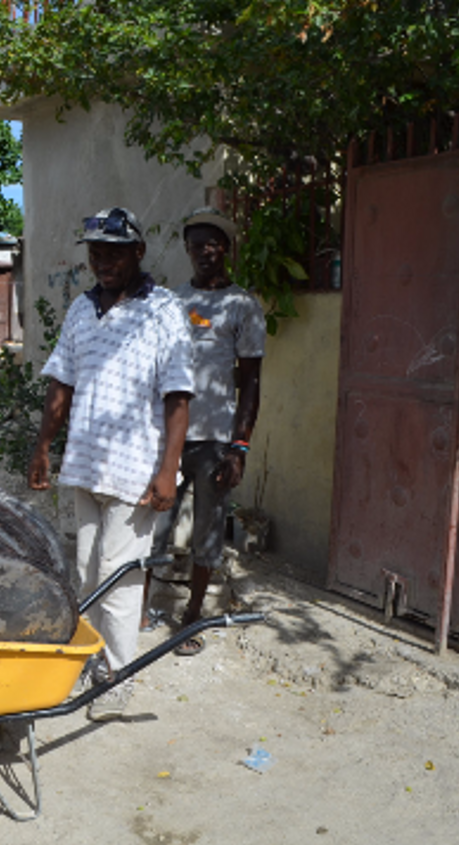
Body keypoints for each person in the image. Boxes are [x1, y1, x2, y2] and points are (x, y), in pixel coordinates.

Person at [28, 206, 195, 721]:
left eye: (114, 251)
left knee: (119, 578)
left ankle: (118, 677)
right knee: (86, 573)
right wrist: (42, 445)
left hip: (136, 472)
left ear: (137, 253)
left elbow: (179, 396)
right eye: (96, 251)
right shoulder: (82, 310)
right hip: (85, 466)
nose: (103, 260)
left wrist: (169, 469)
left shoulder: (164, 309)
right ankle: (90, 659)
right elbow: (62, 384)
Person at [155, 206, 266, 657]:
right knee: (153, 527)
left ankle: (192, 617)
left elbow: (252, 381)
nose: (205, 250)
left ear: (226, 248)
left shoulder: (243, 306)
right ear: (187, 249)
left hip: (216, 440)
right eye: (196, 243)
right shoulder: (171, 302)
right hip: (167, 439)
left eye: (213, 242)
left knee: (207, 532)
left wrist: (239, 447)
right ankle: (138, 611)